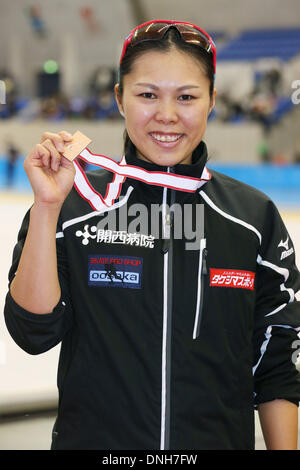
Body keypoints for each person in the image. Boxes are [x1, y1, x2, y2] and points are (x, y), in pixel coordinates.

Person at [4, 20, 300, 451]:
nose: (167, 115)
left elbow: (277, 365)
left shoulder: (254, 219)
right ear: (120, 98)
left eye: (186, 97)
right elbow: (33, 333)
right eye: (147, 94)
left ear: (212, 100)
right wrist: (47, 208)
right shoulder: (73, 208)